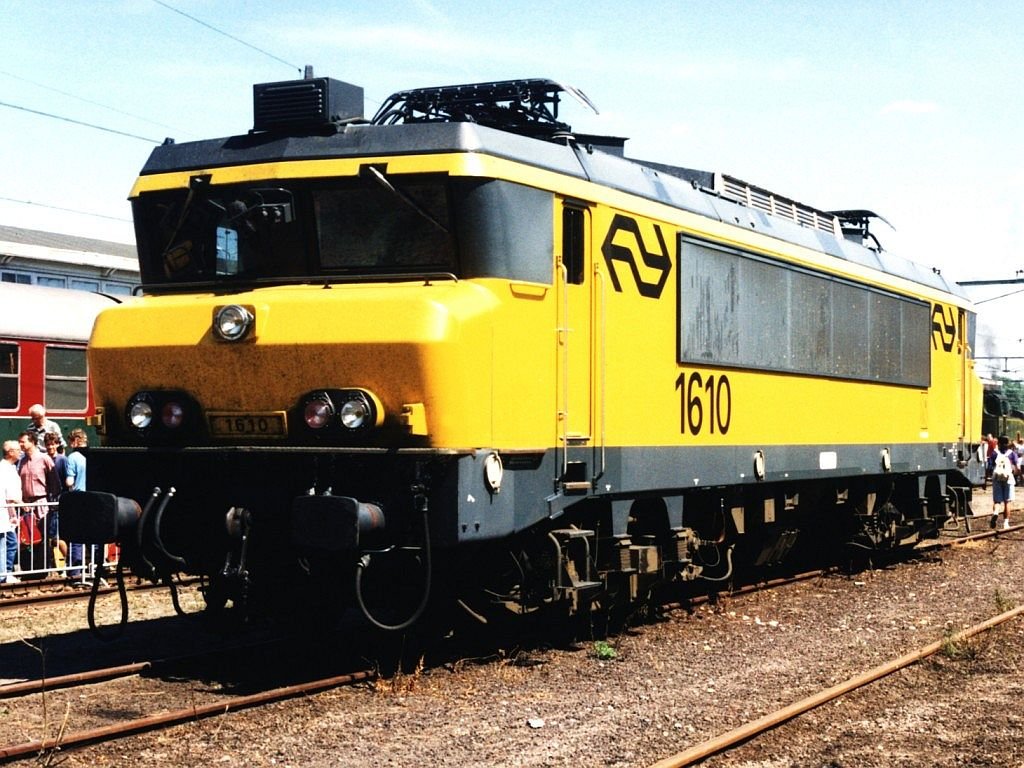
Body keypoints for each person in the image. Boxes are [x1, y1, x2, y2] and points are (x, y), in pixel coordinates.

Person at [17, 430, 61, 572]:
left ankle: (43, 568)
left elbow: (55, 483)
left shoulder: (44, 459)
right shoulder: (21, 461)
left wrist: (52, 501)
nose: (21, 444)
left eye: (23, 441)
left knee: (43, 537)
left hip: (42, 503)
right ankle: (28, 569)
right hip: (26, 506)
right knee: (26, 538)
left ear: (32, 442)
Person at [64, 429, 88, 582]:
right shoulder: (92, 455)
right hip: (95, 498)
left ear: (74, 441)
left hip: (79, 498)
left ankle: (75, 571)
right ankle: (99, 565)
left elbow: (69, 482)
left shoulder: (72, 457)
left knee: (77, 535)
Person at [0, 440, 21, 584]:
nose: (21, 452)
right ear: (10, 452)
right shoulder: (6, 469)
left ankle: (5, 572)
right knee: (8, 543)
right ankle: (4, 573)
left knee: (7, 542)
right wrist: (15, 512)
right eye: (18, 450)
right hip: (4, 513)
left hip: (6, 512)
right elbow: (9, 495)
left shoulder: (7, 468)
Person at [988, 434, 1019, 530]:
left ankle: (996, 512)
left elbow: (989, 467)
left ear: (999, 443)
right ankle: (1006, 523)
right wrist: (1016, 474)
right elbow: (1017, 467)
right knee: (1007, 501)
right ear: (1008, 443)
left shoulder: (994, 453)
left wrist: (986, 478)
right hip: (1008, 479)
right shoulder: (1012, 453)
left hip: (997, 478)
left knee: (997, 500)